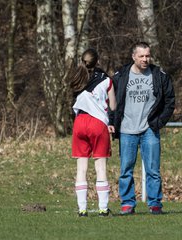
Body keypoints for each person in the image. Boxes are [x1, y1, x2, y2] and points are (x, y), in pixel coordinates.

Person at [109, 41, 175, 215]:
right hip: (126, 130)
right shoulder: (120, 76)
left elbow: (170, 101)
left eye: (147, 56)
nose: (145, 59)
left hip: (149, 130)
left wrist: (159, 122)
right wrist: (111, 121)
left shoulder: (159, 75)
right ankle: (127, 203)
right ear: (133, 57)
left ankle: (155, 204)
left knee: (153, 169)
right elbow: (111, 101)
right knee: (125, 170)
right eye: (141, 56)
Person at [70, 48, 116, 217]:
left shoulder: (76, 79)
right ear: (98, 62)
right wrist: (112, 121)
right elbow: (113, 106)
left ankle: (82, 209)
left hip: (80, 122)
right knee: (100, 168)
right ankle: (103, 208)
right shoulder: (107, 80)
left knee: (81, 168)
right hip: (98, 124)